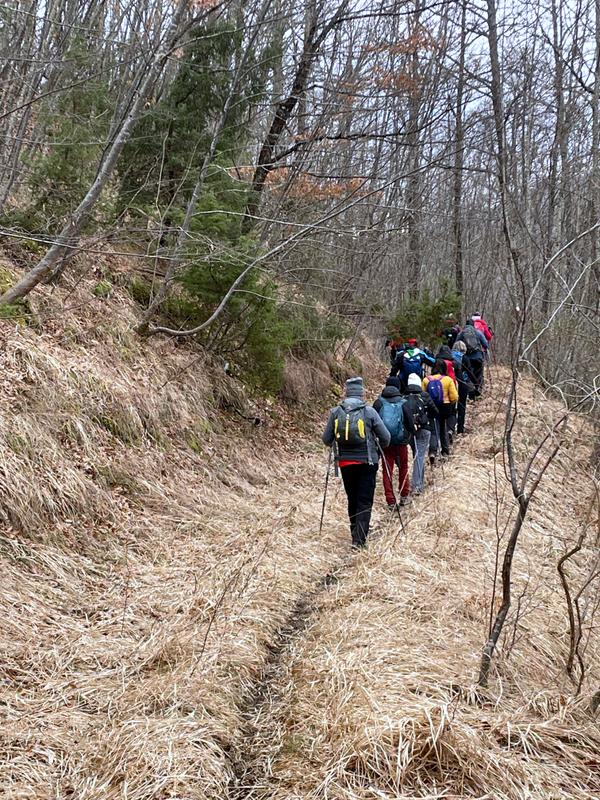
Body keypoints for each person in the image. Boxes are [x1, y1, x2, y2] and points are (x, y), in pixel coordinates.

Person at [322, 377, 390, 548]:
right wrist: (377, 449)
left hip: (345, 463)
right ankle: (359, 540)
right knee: (364, 500)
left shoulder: (336, 412)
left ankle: (355, 532)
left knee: (352, 498)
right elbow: (386, 437)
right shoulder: (369, 412)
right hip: (367, 462)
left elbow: (326, 439)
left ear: (346, 392)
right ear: (361, 392)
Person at [373, 377, 415, 509]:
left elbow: (373, 423)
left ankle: (390, 500)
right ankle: (404, 495)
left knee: (387, 470)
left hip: (385, 443)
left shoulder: (378, 403)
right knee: (403, 468)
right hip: (401, 442)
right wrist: (409, 436)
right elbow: (410, 424)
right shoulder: (403, 403)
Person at [404, 372, 438, 494]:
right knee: (419, 456)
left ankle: (419, 483)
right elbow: (435, 411)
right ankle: (416, 486)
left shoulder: (404, 397)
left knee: (417, 454)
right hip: (424, 429)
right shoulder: (425, 396)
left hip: (410, 430)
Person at [422, 360, 458, 458]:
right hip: (445, 407)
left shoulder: (426, 380)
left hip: (432, 407)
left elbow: (423, 395)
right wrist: (451, 404)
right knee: (443, 427)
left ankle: (432, 452)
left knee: (433, 430)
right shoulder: (448, 380)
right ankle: (445, 451)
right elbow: (454, 397)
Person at [451, 340, 477, 435]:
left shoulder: (449, 356)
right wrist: (476, 383)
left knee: (451, 406)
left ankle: (450, 428)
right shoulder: (464, 358)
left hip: (449, 383)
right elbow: (469, 372)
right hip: (462, 383)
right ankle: (460, 429)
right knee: (462, 406)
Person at [456, 319, 487, 393]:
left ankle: (469, 391)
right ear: (473, 325)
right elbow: (485, 344)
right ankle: (477, 389)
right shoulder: (478, 332)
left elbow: (456, 344)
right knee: (478, 374)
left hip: (466, 358)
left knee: (468, 374)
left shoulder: (461, 333)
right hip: (478, 357)